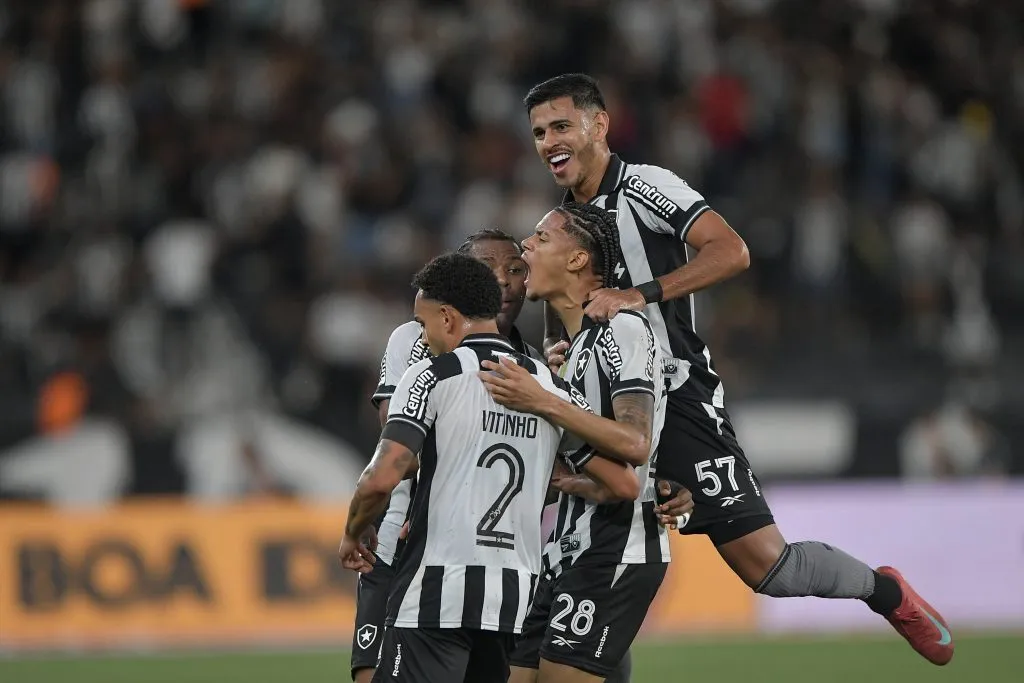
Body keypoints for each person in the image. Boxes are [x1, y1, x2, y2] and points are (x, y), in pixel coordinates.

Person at [522, 73, 954, 666]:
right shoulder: (554, 228)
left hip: (678, 400)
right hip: (604, 406)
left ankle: (887, 593)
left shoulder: (646, 186)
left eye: (561, 126)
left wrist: (640, 293)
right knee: (597, 554)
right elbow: (554, 310)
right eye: (540, 132)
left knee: (767, 567)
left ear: (600, 125)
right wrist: (556, 350)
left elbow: (731, 250)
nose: (549, 142)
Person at [338, 252, 641, 683]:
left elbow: (382, 476)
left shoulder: (430, 376)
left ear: (447, 317)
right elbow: (624, 483)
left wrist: (354, 530)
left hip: (435, 593)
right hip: (510, 598)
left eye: (423, 324)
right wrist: (559, 480)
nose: (422, 338)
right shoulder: (546, 386)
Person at [480, 202, 670, 683]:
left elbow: (635, 442)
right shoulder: (573, 349)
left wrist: (545, 401)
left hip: (614, 550)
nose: (526, 247)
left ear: (577, 260)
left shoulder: (622, 329)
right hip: (563, 548)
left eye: (541, 239)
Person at [351, 230, 541, 683]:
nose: (504, 281)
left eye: (515, 269)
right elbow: (397, 444)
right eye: (488, 269)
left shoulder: (533, 367)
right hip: (400, 540)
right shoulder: (413, 341)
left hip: (469, 558)